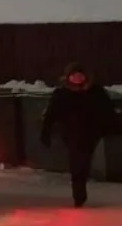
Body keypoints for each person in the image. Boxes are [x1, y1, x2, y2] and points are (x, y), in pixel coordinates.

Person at [40, 62, 116, 207]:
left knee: (83, 161)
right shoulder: (62, 94)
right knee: (77, 161)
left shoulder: (95, 92)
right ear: (68, 78)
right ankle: (79, 194)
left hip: (91, 134)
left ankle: (79, 189)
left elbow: (108, 112)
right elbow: (51, 114)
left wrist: (109, 127)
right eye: (74, 76)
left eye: (80, 76)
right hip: (70, 133)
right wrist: (46, 132)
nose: (77, 78)